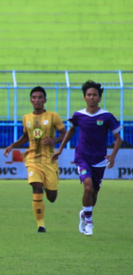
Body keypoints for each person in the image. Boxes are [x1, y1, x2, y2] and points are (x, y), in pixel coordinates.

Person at [52, 80, 122, 236]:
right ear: (84, 97)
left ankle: (85, 214)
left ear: (99, 98)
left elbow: (118, 138)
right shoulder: (78, 115)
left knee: (94, 192)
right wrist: (60, 149)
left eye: (94, 95)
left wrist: (113, 155)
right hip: (82, 157)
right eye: (89, 95)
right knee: (88, 187)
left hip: (99, 159)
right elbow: (70, 131)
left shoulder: (106, 116)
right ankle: (89, 222)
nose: (91, 97)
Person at [4, 86, 67, 233]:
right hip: (32, 159)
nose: (37, 100)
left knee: (51, 197)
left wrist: (54, 141)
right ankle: (41, 225)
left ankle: (48, 184)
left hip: (49, 160)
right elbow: (26, 137)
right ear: (31, 100)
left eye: (40, 97)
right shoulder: (26, 118)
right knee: (36, 187)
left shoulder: (53, 116)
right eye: (34, 97)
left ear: (45, 100)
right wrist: (13, 145)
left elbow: (65, 134)